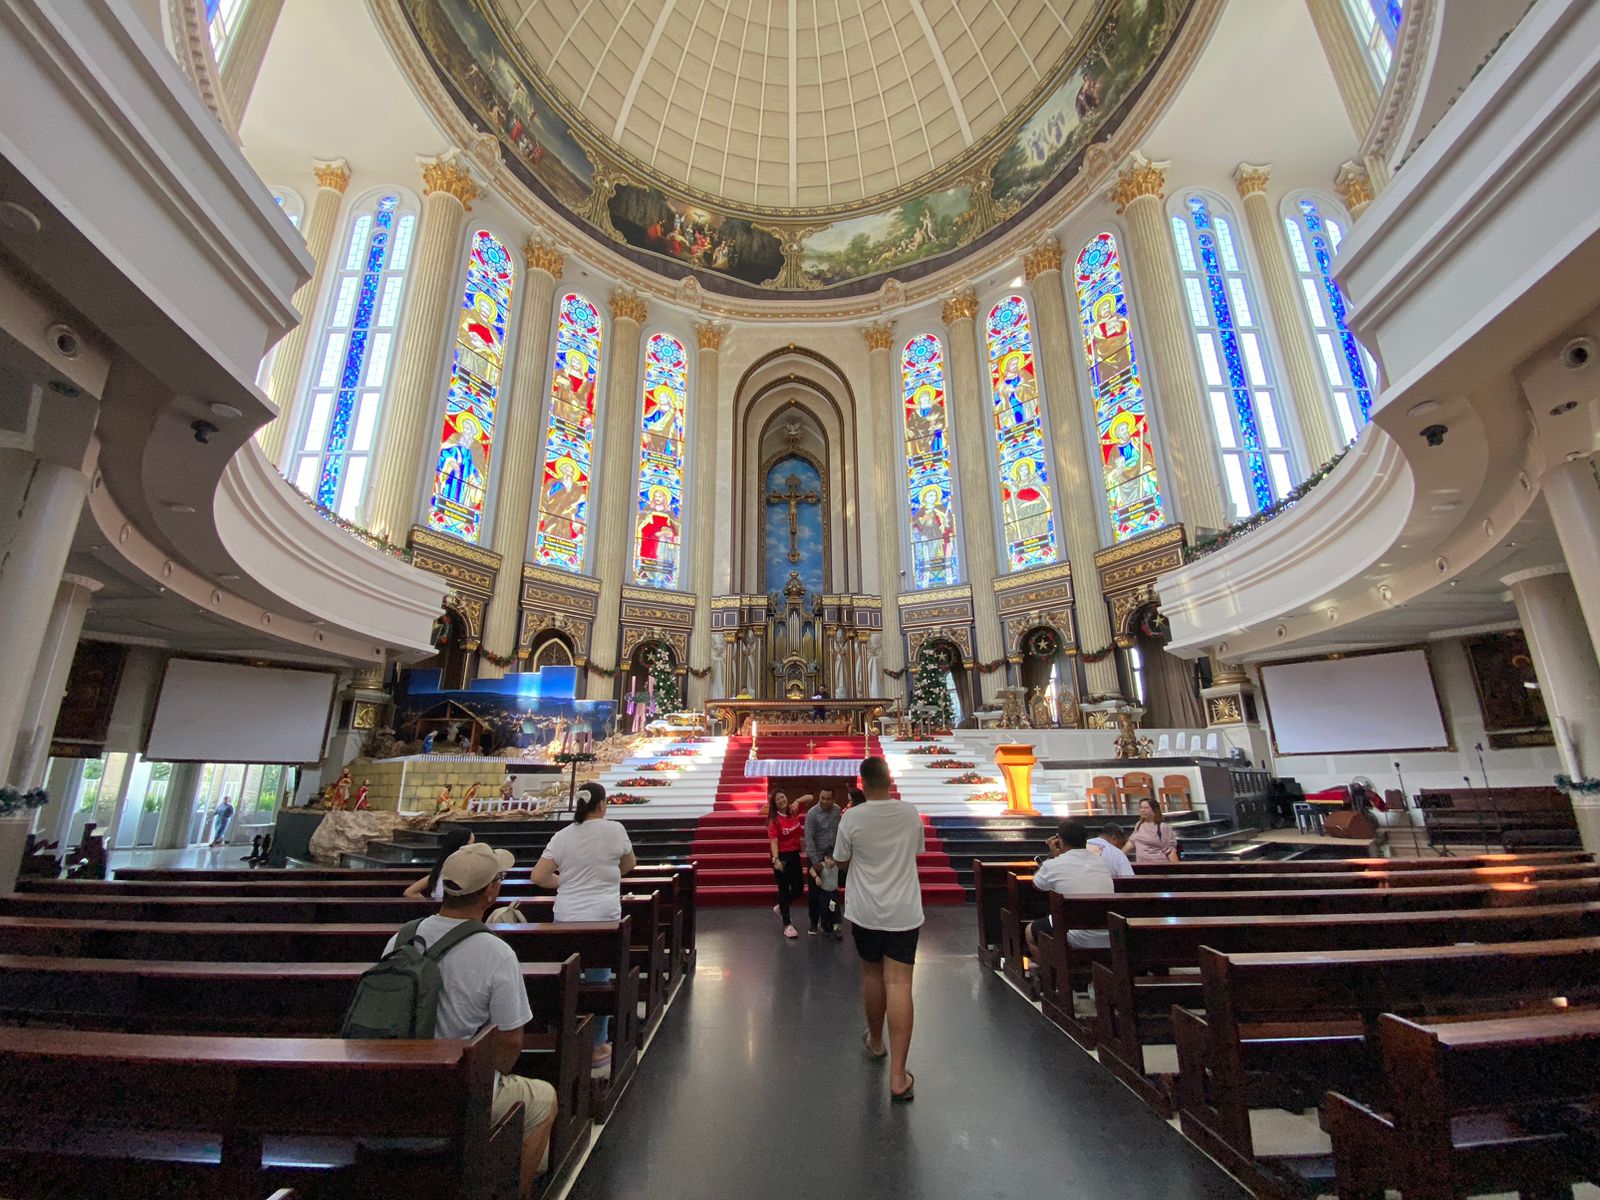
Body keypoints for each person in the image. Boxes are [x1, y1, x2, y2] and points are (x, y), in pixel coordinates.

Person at [381, 841, 555, 1199]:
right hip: (452, 1095)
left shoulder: (400, 938)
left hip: (386, 1087)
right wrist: (494, 1078)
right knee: (543, 1099)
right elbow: (511, 1041)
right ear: (492, 891)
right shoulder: (495, 951)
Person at [829, 756, 923, 1102]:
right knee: (899, 982)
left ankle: (875, 1040)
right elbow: (915, 850)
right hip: (903, 908)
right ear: (889, 780)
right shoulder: (909, 812)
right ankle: (898, 1076)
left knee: (871, 975)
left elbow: (841, 859)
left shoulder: (852, 816)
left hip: (867, 909)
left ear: (863, 782)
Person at [531, 782, 636, 1073]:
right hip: (603, 916)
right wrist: (605, 877)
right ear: (601, 805)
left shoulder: (563, 835)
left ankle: (560, 1034)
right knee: (599, 977)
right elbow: (629, 863)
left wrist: (566, 882)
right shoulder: (614, 829)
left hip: (566, 916)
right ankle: (598, 1043)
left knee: (567, 976)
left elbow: (538, 876)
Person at [1025, 819, 1115, 960]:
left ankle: (1054, 975)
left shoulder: (1054, 864)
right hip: (1107, 933)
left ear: (1060, 841)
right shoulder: (1100, 862)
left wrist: (1052, 857)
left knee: (1029, 932)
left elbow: (1037, 884)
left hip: (1074, 934)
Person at [767, 790, 809, 939]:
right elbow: (774, 841)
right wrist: (776, 860)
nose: (781, 800)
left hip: (794, 855)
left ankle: (782, 907)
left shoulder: (793, 810)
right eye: (777, 799)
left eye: (783, 797)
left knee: (798, 888)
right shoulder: (774, 820)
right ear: (774, 804)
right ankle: (787, 925)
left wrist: (797, 800)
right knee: (783, 890)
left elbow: (810, 797)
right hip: (782, 857)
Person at [804, 787, 844, 938]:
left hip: (833, 860)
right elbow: (809, 839)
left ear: (833, 799)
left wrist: (837, 858)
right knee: (815, 894)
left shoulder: (837, 810)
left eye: (828, 799)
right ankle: (814, 923)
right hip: (818, 859)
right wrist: (816, 864)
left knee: (833, 895)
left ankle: (834, 926)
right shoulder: (812, 814)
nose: (825, 801)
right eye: (822, 798)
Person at [404, 829, 475, 898]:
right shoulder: (445, 871)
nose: (475, 847)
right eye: (472, 844)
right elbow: (409, 892)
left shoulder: (441, 870)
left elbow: (410, 892)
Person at [1130, 797, 1180, 864]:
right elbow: (1131, 842)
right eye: (1141, 807)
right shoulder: (1139, 825)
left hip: (1159, 865)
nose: (1142, 810)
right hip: (1142, 866)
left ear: (1154, 810)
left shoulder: (1162, 827)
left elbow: (1170, 850)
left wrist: (1177, 869)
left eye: (1146, 808)